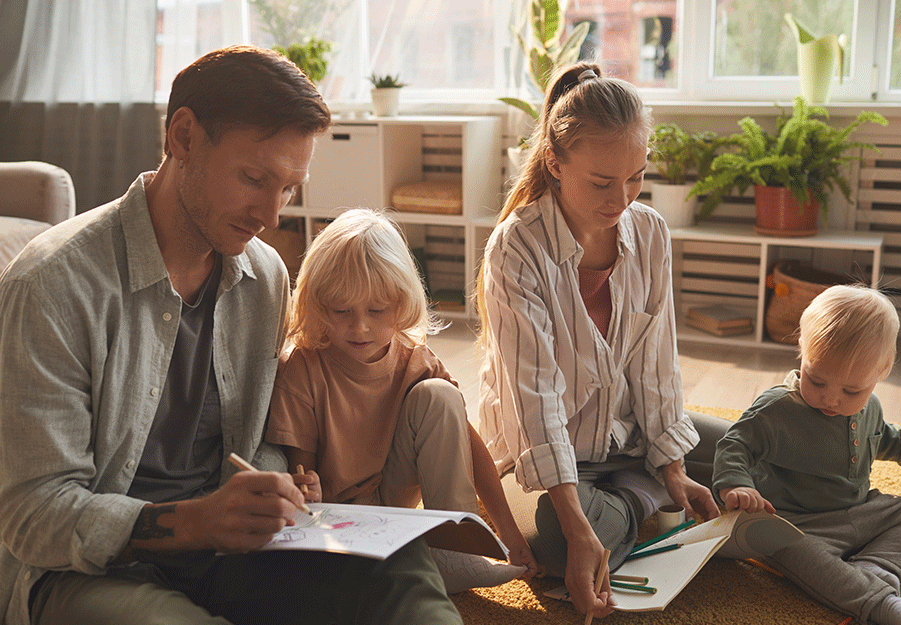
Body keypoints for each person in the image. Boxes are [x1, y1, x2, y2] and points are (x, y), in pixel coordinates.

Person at [0, 45, 462, 625]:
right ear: (184, 137)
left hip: (230, 552)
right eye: (254, 178)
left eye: (290, 188)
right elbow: (33, 514)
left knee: (401, 567)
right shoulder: (51, 285)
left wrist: (278, 485)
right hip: (85, 571)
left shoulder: (264, 276)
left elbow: (253, 435)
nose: (272, 213)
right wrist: (197, 521)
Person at [475, 61, 729, 619]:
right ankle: (642, 508)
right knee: (557, 539)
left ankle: (642, 500)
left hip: (628, 440)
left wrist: (672, 468)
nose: (622, 199)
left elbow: (657, 365)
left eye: (636, 176)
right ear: (554, 163)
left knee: (744, 444)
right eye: (601, 182)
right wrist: (577, 522)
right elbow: (533, 400)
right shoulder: (517, 248)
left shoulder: (651, 232)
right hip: (546, 461)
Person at [265, 207, 538, 587]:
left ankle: (455, 553)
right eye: (342, 311)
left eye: (376, 311)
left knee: (441, 396)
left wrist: (509, 536)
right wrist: (307, 486)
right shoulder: (303, 367)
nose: (360, 327)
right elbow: (303, 473)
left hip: (395, 502)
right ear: (319, 303)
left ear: (401, 304)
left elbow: (471, 449)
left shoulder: (413, 358)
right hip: (337, 513)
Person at [712, 285, 901, 625]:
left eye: (851, 390)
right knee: (788, 547)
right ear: (802, 352)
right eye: (817, 380)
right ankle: (876, 602)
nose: (831, 400)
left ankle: (875, 566)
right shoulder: (777, 409)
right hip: (796, 523)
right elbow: (734, 443)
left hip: (859, 511)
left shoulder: (869, 407)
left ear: (880, 374)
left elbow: (883, 436)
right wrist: (737, 485)